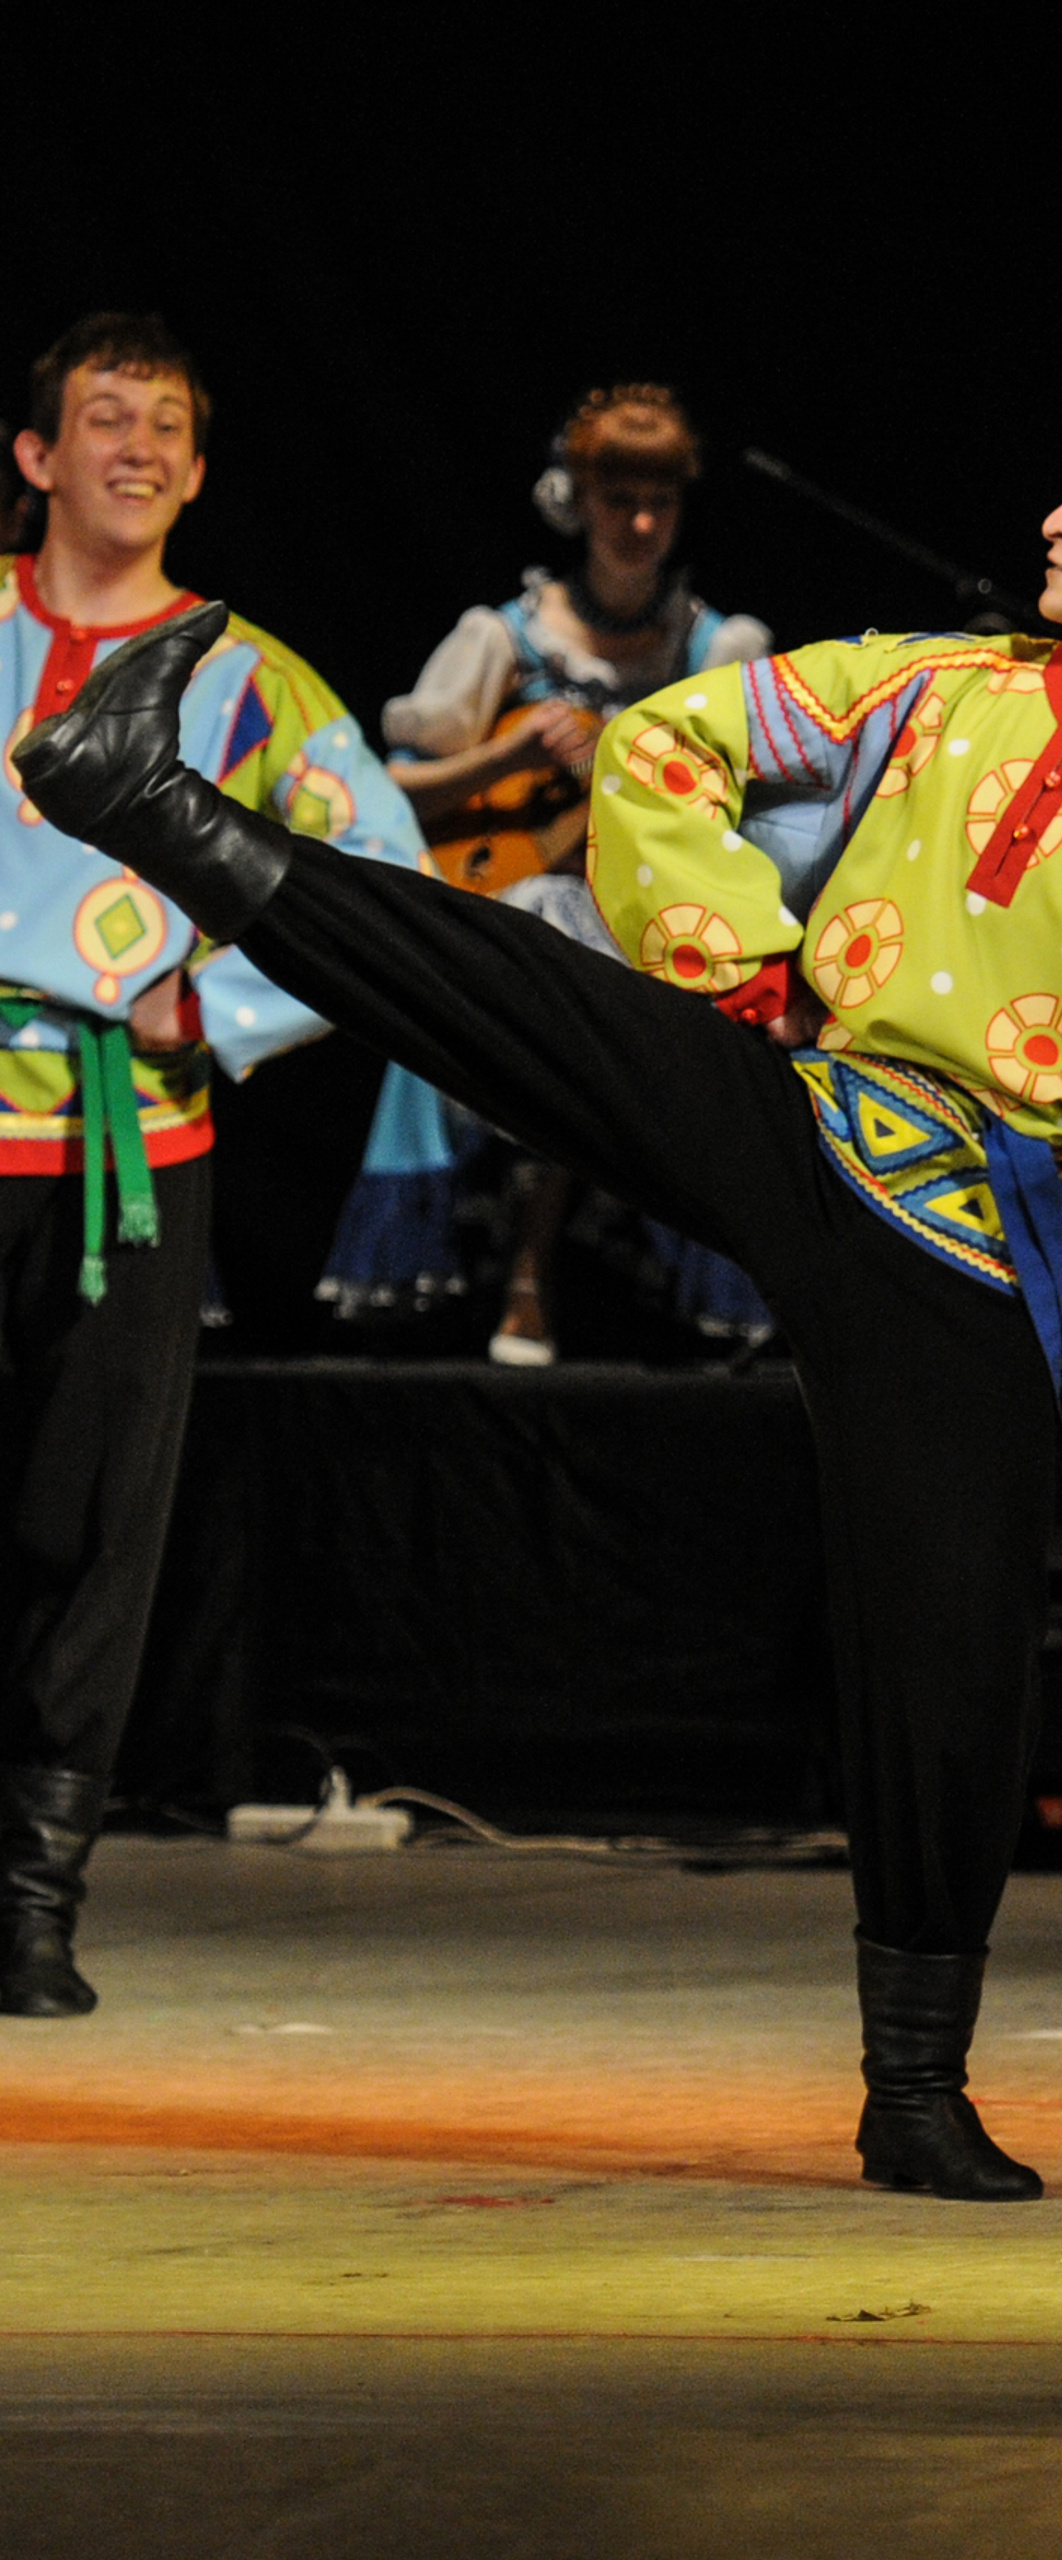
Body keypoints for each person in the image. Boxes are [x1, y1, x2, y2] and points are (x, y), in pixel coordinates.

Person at [18, 389, 1062, 2198]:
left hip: (967, 1247)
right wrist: (734, 974)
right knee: (516, 995)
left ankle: (917, 2090)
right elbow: (670, 744)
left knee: (951, 1652)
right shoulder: (930, 684)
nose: (1056, 519)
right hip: (805, 1113)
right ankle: (155, 803)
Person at [0, 312, 423, 2014]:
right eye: (104, 418)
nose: (139, 446)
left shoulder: (245, 676)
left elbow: (385, 878)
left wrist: (221, 1001)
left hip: (126, 1155)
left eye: (167, 424)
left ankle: (30, 1905)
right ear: (34, 456)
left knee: (88, 1530)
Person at [326, 385, 773, 1359]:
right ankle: (524, 1267)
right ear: (577, 499)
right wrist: (513, 755)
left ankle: (558, 1268)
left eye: (661, 501)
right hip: (520, 926)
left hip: (661, 931)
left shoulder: (715, 651)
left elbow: (758, 812)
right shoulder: (509, 638)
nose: (642, 524)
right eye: (620, 500)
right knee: (545, 923)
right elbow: (392, 791)